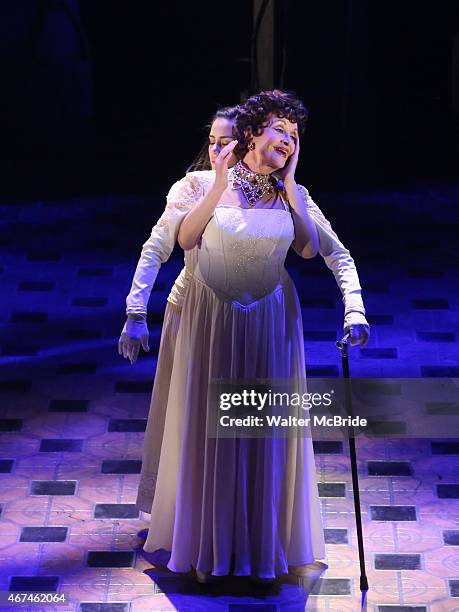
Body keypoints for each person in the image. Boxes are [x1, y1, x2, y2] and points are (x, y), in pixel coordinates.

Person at [120, 89, 369, 584]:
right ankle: (210, 548)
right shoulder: (200, 184)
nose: (289, 139)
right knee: (211, 433)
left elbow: (323, 251)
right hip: (213, 321)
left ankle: (259, 547)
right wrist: (135, 310)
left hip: (270, 327)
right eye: (280, 129)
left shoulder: (291, 191)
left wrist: (354, 306)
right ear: (253, 133)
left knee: (259, 435)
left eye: (295, 135)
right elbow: (180, 241)